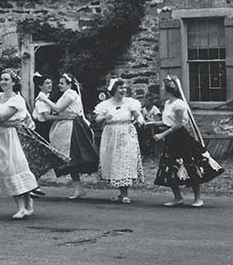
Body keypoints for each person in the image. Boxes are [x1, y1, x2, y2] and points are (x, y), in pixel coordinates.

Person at [153, 76, 224, 207]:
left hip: (180, 137)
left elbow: (179, 124)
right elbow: (168, 121)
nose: (161, 88)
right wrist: (151, 123)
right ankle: (177, 197)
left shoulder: (179, 104)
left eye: (163, 86)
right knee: (170, 165)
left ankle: (198, 198)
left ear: (168, 88)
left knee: (190, 164)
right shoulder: (168, 103)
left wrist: (162, 134)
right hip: (171, 138)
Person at [0, 69, 37, 219]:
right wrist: (8, 122)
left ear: (14, 82)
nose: (3, 82)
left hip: (13, 137)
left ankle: (24, 205)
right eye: (1, 79)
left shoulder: (17, 100)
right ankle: (23, 205)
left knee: (16, 168)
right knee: (6, 169)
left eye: (6, 79)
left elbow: (1, 117)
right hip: (0, 136)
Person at [42, 73, 99, 199]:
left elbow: (57, 108)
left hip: (73, 129)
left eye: (62, 83)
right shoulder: (65, 95)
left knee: (74, 156)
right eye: (59, 83)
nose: (59, 85)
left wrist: (44, 99)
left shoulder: (71, 94)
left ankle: (81, 186)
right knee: (69, 159)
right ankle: (78, 188)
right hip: (65, 128)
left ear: (69, 84)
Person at [94, 78, 145, 203]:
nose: (124, 90)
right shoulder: (105, 104)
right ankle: (121, 193)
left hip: (126, 133)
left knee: (125, 160)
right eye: (120, 88)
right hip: (111, 134)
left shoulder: (129, 103)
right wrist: (105, 117)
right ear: (114, 90)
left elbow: (137, 114)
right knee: (115, 162)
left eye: (124, 87)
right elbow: (97, 119)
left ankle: (125, 193)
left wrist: (141, 120)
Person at [32, 74, 55, 140]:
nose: (50, 85)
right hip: (43, 128)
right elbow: (47, 117)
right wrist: (63, 117)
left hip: (46, 126)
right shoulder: (41, 100)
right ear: (40, 86)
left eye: (51, 83)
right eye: (47, 83)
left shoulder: (46, 97)